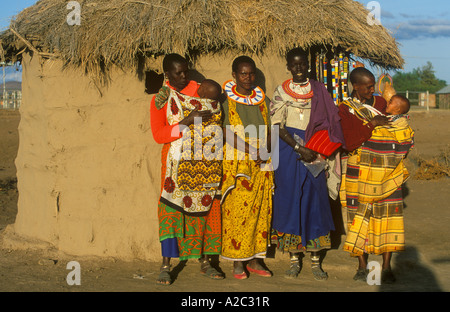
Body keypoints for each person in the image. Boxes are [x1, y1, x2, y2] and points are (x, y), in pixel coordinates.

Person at [270, 48, 345, 281]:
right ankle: (294, 259)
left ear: (308, 65)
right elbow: (276, 126)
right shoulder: (281, 92)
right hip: (289, 151)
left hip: (317, 149)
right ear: (288, 66)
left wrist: (316, 147)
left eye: (302, 64)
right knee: (291, 199)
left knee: (315, 200)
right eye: (294, 65)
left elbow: (331, 121)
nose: (299, 68)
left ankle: (315, 260)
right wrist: (298, 148)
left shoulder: (320, 90)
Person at [150, 53, 224, 285]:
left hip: (204, 163)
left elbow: (216, 113)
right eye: (177, 73)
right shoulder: (161, 100)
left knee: (203, 210)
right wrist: (187, 121)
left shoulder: (200, 89)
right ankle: (166, 264)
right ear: (166, 74)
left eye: (186, 71)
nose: (183, 77)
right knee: (172, 211)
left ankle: (204, 260)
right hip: (175, 164)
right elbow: (159, 135)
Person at [338, 67, 414, 284]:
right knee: (358, 218)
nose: (373, 90)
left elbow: (400, 122)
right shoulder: (345, 110)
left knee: (387, 218)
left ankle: (387, 267)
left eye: (373, 85)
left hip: (387, 172)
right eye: (368, 87)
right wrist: (372, 124)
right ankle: (363, 266)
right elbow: (349, 141)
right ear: (356, 86)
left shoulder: (381, 103)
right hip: (358, 171)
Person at [220, 55, 274, 279]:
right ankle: (237, 262)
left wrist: (266, 151)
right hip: (238, 165)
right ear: (234, 75)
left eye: (251, 73)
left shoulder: (263, 101)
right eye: (243, 73)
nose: (248, 78)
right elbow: (225, 131)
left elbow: (272, 130)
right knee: (238, 214)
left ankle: (255, 260)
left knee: (261, 212)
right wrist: (251, 150)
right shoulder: (226, 101)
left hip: (262, 163)